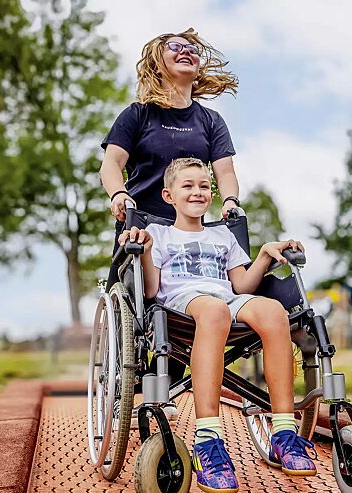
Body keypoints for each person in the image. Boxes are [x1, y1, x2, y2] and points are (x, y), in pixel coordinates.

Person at [117, 158, 317, 493]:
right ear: (169, 196)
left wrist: (265, 255)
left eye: (204, 186)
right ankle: (208, 439)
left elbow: (241, 286)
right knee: (213, 311)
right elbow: (151, 291)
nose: (198, 192)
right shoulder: (158, 234)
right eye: (188, 186)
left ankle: (284, 432)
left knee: (273, 311)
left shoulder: (223, 235)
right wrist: (146, 252)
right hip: (182, 303)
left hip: (227, 299)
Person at [100, 28, 242, 421]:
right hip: (141, 226)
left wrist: (229, 200)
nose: (186, 52)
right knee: (141, 309)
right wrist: (118, 195)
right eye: (175, 48)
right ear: (157, 63)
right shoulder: (137, 115)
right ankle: (127, 387)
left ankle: (166, 390)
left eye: (191, 49)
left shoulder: (210, 121)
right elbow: (111, 165)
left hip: (191, 232)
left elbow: (225, 171)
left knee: (183, 308)